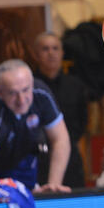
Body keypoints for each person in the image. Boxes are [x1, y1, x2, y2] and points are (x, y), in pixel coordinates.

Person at [0, 60, 71, 195]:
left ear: (32, 84)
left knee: (28, 198)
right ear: (0, 92)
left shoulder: (41, 94)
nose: (21, 100)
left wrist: (54, 184)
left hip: (21, 152)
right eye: (12, 93)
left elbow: (60, 138)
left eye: (26, 90)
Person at [33, 32, 89, 189]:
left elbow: (82, 121)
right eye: (45, 49)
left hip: (71, 159)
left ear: (62, 53)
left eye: (55, 48)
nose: (51, 53)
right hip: (37, 161)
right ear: (36, 55)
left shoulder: (75, 85)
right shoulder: (27, 87)